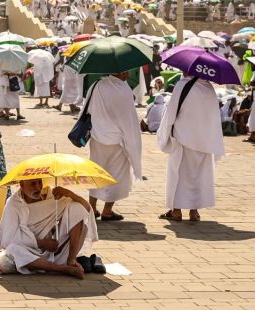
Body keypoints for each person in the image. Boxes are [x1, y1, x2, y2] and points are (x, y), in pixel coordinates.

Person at [0, 178, 98, 279]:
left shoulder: (52, 197)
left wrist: (70, 194)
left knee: (77, 208)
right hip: (28, 252)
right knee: (12, 249)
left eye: (39, 182)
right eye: (33, 184)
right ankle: (63, 269)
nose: (38, 187)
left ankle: (71, 260)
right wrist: (41, 243)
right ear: (22, 185)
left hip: (54, 251)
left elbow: (86, 209)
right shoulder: (13, 204)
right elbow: (9, 239)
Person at [156, 77, 225, 222]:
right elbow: (213, 116)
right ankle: (194, 212)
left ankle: (176, 211)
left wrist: (165, 134)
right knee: (198, 176)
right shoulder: (209, 88)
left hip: (183, 138)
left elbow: (171, 112)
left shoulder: (182, 85)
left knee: (178, 175)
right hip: (204, 141)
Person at [83, 71, 143, 221]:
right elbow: (128, 118)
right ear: (119, 72)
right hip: (117, 140)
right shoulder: (123, 89)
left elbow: (87, 109)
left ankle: (92, 207)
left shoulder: (97, 85)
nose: (127, 73)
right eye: (125, 70)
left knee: (96, 171)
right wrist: (132, 142)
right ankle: (107, 210)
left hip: (97, 136)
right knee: (117, 174)